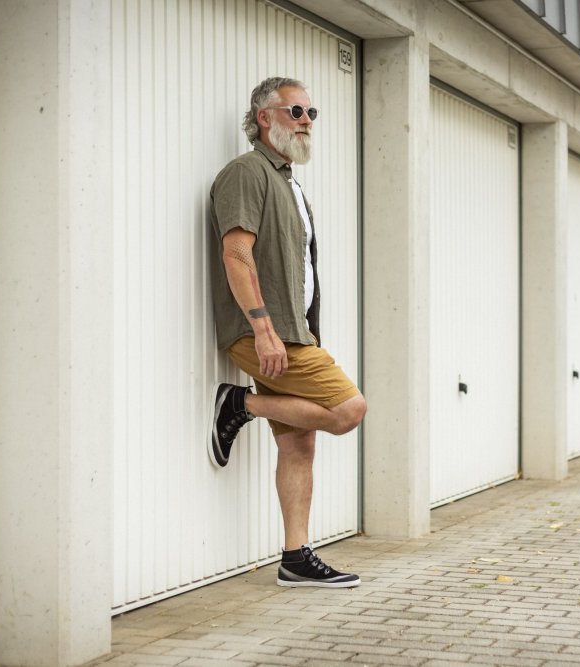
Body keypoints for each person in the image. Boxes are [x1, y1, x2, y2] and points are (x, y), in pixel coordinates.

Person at [208, 76, 367, 588]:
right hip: (267, 333)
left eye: (310, 114)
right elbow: (236, 253)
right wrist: (264, 329)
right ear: (263, 118)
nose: (306, 122)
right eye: (295, 111)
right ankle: (240, 404)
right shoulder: (246, 172)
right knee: (347, 410)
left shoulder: (289, 183)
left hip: (294, 332)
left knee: (300, 443)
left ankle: (295, 557)